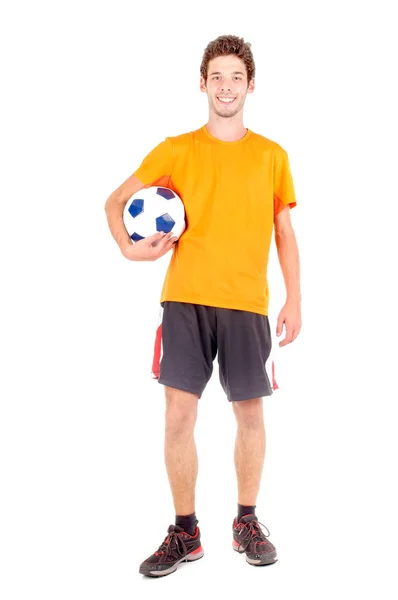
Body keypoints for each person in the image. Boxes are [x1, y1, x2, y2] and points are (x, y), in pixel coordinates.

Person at [104, 34, 302, 578]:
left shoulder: (271, 156)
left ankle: (246, 521)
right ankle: (186, 531)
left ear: (251, 85)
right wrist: (128, 246)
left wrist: (295, 299)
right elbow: (115, 201)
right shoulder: (175, 150)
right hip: (184, 302)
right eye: (217, 76)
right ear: (202, 83)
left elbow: (284, 233)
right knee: (177, 417)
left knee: (251, 414)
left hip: (247, 304)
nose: (226, 86)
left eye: (236, 76)